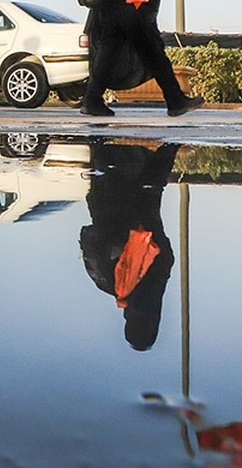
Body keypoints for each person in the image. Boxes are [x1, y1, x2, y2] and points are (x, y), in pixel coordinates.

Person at [79, 142, 178, 351]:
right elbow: (88, 236)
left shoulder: (150, 285)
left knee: (152, 179)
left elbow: (165, 256)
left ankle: (175, 136)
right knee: (103, 138)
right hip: (106, 194)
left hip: (139, 198)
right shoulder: (107, 283)